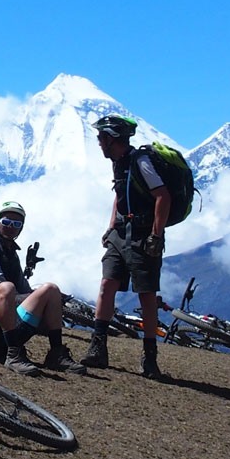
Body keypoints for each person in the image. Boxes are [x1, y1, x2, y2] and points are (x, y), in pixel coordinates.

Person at [81, 115, 171, 378]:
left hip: (143, 236)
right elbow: (119, 197)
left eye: (101, 137)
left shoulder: (140, 163)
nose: (98, 142)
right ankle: (98, 348)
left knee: (146, 295)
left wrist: (156, 235)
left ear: (112, 138)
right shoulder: (118, 164)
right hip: (120, 234)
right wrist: (111, 227)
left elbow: (162, 197)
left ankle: (150, 357)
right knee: (107, 285)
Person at [0, 201, 85, 374]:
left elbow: (24, 289)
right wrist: (35, 300)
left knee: (51, 289)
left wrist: (44, 302)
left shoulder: (12, 253)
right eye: (6, 222)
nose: (11, 227)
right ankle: (13, 355)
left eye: (17, 224)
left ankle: (56, 353)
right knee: (7, 288)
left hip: (6, 323)